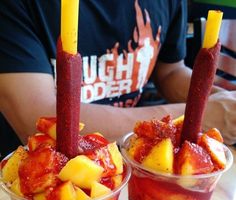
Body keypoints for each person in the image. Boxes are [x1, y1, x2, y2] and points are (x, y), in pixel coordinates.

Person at [0, 0, 235, 158]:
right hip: (40, 178)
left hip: (133, 160)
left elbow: (171, 72)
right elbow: (36, 119)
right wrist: (200, 118)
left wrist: (220, 101)